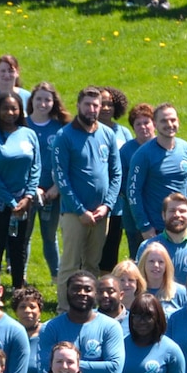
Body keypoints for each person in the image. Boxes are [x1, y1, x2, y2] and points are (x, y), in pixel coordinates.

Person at [53, 87, 122, 311]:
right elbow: (61, 178)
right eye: (87, 105)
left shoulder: (107, 134)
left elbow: (116, 173)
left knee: (93, 264)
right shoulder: (64, 136)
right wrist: (80, 210)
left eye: (96, 105)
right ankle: (64, 309)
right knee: (70, 265)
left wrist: (107, 206)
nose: (92, 109)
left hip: (102, 214)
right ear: (78, 105)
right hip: (74, 213)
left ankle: (89, 309)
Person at [0, 91, 41, 287]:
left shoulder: (29, 134)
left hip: (24, 201)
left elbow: (36, 167)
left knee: (18, 245)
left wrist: (28, 196)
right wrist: (12, 202)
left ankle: (18, 287)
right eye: (5, 108)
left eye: (14, 108)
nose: (10, 112)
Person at [128, 103, 187, 240]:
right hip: (155, 228)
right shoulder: (143, 154)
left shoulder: (185, 148)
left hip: (182, 225)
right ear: (155, 124)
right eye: (164, 121)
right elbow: (133, 192)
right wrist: (145, 226)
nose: (169, 124)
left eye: (173, 120)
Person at [27, 82, 72, 280]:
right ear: (32, 101)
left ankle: (57, 276)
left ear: (54, 102)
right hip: (26, 192)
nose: (43, 103)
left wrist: (57, 188)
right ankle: (21, 274)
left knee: (49, 235)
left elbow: (68, 162)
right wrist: (30, 189)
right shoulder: (22, 124)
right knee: (23, 236)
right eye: (39, 99)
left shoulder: (60, 128)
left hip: (52, 193)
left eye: (47, 99)